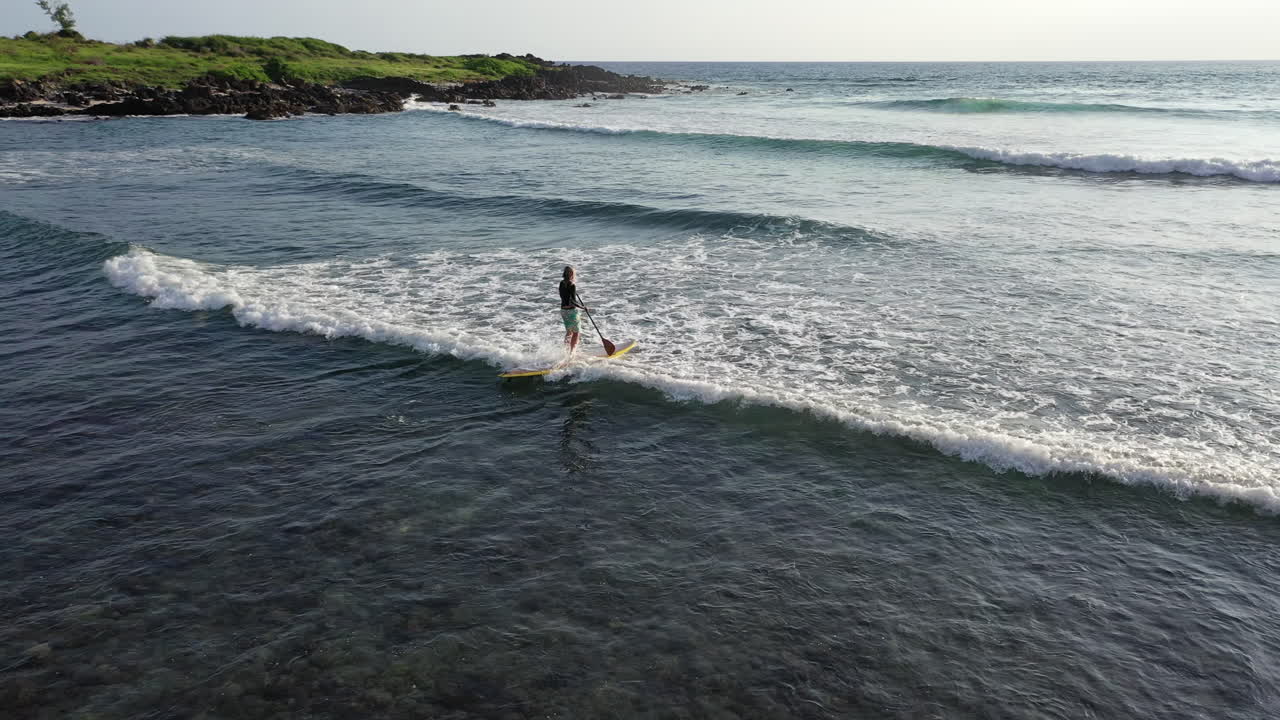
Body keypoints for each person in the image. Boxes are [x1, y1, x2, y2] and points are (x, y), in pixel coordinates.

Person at [559, 265, 587, 353]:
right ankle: (572, 353)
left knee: (569, 332)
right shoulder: (572, 284)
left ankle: (566, 351)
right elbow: (572, 301)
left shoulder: (561, 283)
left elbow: (563, 297)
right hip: (571, 311)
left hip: (563, 311)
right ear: (571, 274)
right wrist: (582, 307)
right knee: (576, 332)